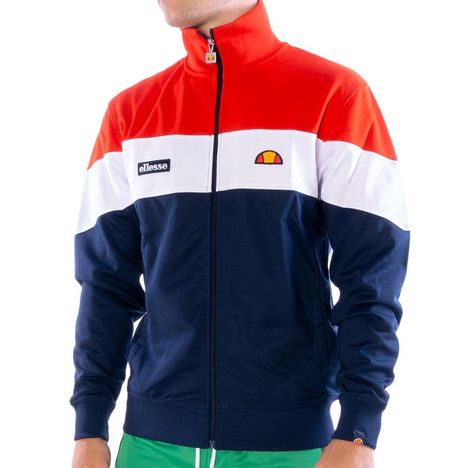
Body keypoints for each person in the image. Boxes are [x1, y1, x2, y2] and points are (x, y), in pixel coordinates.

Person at [69, 0, 410, 467]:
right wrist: (89, 428)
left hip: (290, 447)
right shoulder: (130, 114)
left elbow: (372, 280)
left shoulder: (334, 95)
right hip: (149, 446)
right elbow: (105, 286)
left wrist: (358, 429)